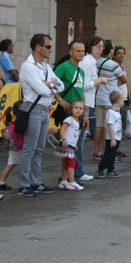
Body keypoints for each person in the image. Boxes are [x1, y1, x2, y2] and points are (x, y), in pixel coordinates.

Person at [18, 33, 64, 196]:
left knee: (39, 148)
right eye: (48, 46)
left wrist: (49, 84)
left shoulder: (45, 67)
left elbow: (61, 85)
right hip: (33, 109)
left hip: (44, 110)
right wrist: (50, 85)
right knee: (29, 148)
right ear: (38, 47)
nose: (51, 50)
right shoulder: (28, 66)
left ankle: (36, 182)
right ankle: (24, 184)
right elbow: (42, 90)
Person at [53, 40, 94, 182]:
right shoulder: (63, 67)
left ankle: (76, 172)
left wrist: (85, 113)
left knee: (78, 142)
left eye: (83, 51)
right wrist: (60, 100)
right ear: (71, 52)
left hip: (78, 110)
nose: (81, 53)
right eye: (78, 51)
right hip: (66, 109)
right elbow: (52, 84)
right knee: (68, 144)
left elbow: (81, 92)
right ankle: (68, 176)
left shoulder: (81, 71)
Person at [93, 40, 127, 161]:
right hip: (110, 98)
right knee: (109, 127)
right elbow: (124, 79)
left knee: (99, 126)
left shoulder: (96, 62)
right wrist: (118, 82)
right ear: (110, 50)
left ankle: (97, 152)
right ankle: (108, 153)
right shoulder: (113, 64)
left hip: (99, 97)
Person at [79, 36, 109, 139]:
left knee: (81, 135)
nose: (100, 49)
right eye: (98, 46)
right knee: (80, 136)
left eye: (102, 47)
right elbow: (82, 85)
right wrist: (99, 80)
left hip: (88, 101)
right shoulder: (87, 61)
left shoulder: (91, 61)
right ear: (91, 46)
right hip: (84, 101)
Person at [54, 100, 85, 191]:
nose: (78, 110)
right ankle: (71, 182)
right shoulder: (69, 119)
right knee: (71, 163)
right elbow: (62, 130)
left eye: (81, 108)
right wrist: (64, 139)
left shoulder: (77, 121)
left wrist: (74, 144)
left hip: (70, 145)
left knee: (66, 164)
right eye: (76, 108)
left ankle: (63, 181)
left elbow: (73, 134)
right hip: (66, 144)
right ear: (71, 109)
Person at [96, 91, 124, 178]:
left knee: (113, 155)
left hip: (117, 137)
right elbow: (110, 125)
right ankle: (100, 169)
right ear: (119, 101)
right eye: (123, 99)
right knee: (109, 154)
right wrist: (112, 138)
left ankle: (110, 170)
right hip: (112, 138)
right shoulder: (111, 112)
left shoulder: (116, 112)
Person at [112, 46, 130, 158]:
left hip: (123, 98)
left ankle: (117, 148)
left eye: (123, 53)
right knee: (115, 126)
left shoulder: (122, 67)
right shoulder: (113, 67)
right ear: (114, 55)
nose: (121, 55)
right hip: (116, 98)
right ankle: (112, 149)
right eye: (118, 53)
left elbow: (125, 85)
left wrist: (128, 100)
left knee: (121, 126)